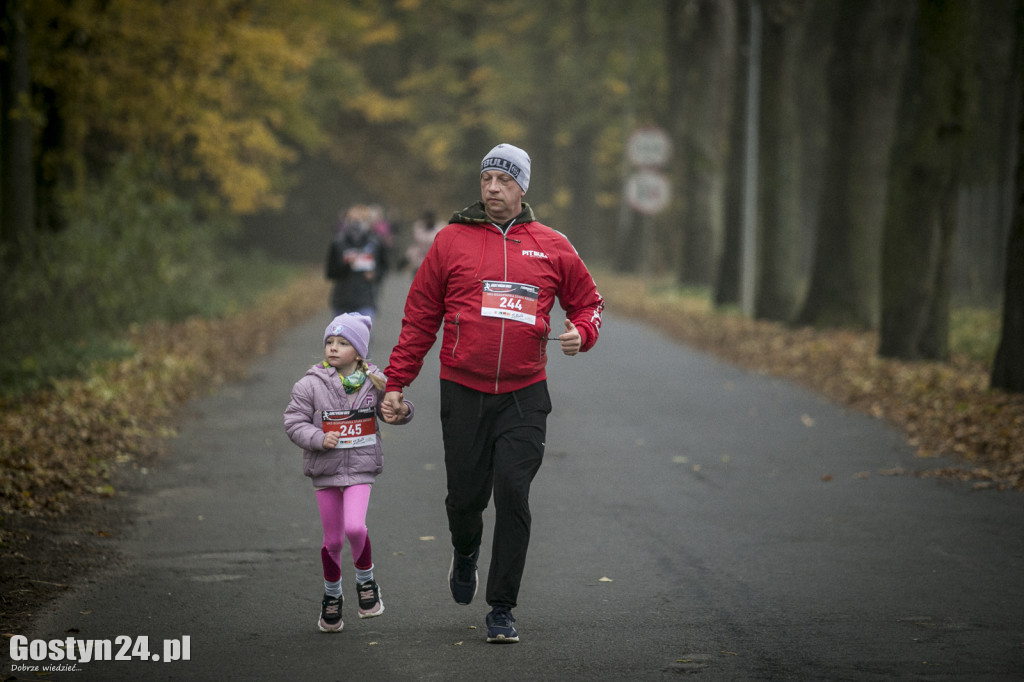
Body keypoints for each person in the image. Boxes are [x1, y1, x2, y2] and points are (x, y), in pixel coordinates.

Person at [381, 143, 604, 644]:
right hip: (463, 389)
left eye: (504, 180)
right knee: (465, 498)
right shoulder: (451, 241)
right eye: (486, 180)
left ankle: (502, 606)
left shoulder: (551, 244)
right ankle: (464, 552)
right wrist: (396, 383)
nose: (493, 189)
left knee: (513, 492)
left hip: (524, 393)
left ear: (523, 187)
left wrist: (582, 332)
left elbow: (588, 303)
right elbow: (419, 318)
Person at [284, 313, 413, 633]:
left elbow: (396, 406)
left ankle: (366, 583)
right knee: (331, 541)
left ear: (358, 352)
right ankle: (332, 597)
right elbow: (293, 423)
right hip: (325, 470)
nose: (333, 348)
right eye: (329, 342)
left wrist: (403, 411)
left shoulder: (375, 382)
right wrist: (318, 438)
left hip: (360, 467)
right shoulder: (309, 384)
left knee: (355, 527)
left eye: (342, 343)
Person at [325, 206, 389, 319]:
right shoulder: (338, 243)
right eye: (351, 219)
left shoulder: (375, 242)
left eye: (359, 220)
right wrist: (346, 266)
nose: (355, 223)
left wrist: (375, 275)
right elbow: (330, 273)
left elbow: (384, 267)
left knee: (361, 336)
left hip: (366, 300)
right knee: (343, 337)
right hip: (342, 301)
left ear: (366, 221)